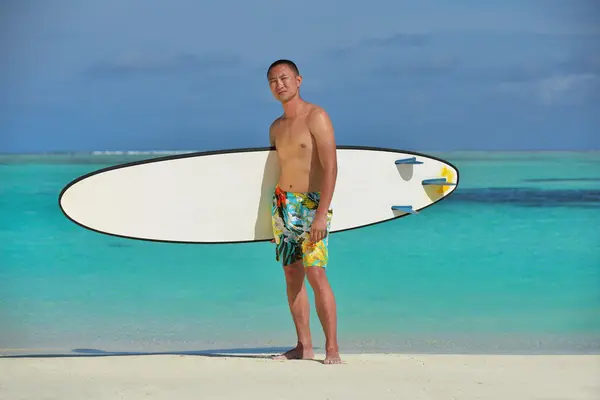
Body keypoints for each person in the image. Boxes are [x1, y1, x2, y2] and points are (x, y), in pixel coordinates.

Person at [266, 59, 342, 365]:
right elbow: (272, 172)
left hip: (312, 204)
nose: (279, 84)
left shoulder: (317, 116)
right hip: (283, 205)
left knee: (316, 273)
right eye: (272, 81)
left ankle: (332, 349)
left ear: (298, 80)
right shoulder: (276, 127)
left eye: (284, 78)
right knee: (291, 275)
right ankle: (303, 346)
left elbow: (331, 167)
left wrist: (322, 213)